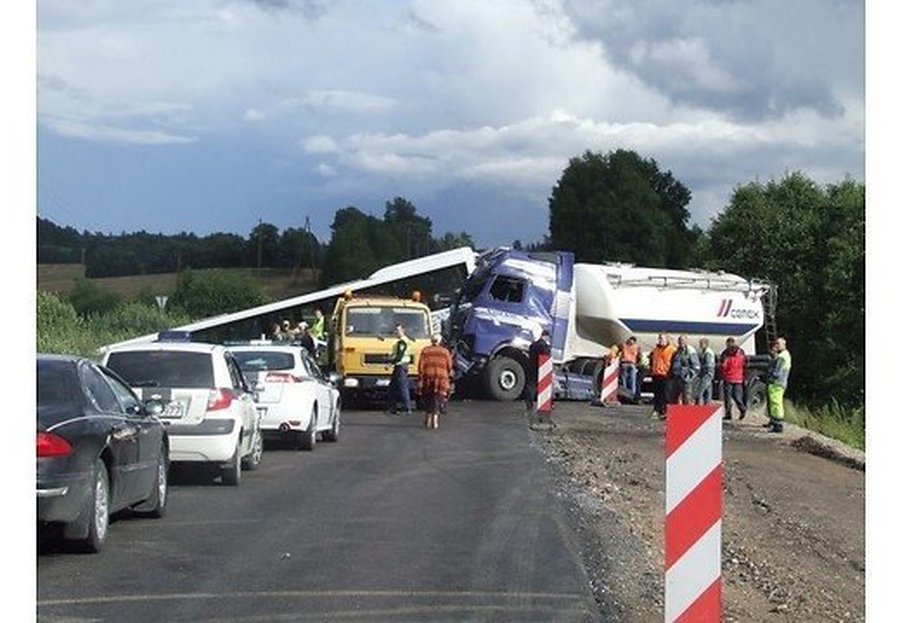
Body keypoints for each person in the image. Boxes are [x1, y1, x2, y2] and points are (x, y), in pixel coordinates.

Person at [417, 334, 453, 429]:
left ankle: (427, 419)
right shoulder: (445, 352)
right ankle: (435, 420)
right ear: (440, 341)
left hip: (428, 377)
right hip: (441, 377)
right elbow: (449, 365)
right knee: (438, 398)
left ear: (431, 341)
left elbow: (421, 365)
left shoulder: (425, 351)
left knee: (428, 397)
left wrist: (420, 376)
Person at [525, 329, 552, 426]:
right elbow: (546, 358)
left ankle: (529, 404)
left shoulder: (533, 345)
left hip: (531, 367)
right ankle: (542, 413)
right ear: (546, 336)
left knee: (531, 385)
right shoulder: (544, 346)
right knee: (542, 389)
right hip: (541, 370)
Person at [766, 337, 792, 433]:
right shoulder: (786, 355)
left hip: (777, 383)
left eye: (778, 344)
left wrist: (770, 378)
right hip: (781, 383)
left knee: (776, 404)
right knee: (776, 403)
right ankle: (775, 422)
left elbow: (777, 372)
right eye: (776, 343)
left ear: (783, 345)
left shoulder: (781, 357)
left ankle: (778, 424)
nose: (776, 345)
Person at [387, 323, 413, 415]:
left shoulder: (402, 342)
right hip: (399, 365)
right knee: (392, 388)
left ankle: (406, 408)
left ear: (403, 331)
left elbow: (399, 355)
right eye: (395, 330)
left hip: (401, 365)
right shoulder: (401, 341)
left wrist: (390, 362)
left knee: (402, 387)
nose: (396, 332)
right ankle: (392, 408)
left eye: (398, 330)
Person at [719, 336, 747, 420]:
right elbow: (745, 364)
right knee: (736, 397)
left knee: (729, 397)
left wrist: (722, 372)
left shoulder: (726, 353)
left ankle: (730, 414)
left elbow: (723, 365)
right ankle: (742, 409)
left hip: (730, 377)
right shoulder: (741, 352)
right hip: (737, 377)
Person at [649, 334, 676, 419]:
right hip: (656, 374)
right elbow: (652, 360)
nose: (660, 340)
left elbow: (674, 362)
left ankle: (665, 411)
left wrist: (672, 373)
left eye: (662, 339)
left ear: (667, 340)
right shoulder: (656, 349)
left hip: (666, 375)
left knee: (665, 395)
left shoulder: (672, 349)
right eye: (659, 338)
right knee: (657, 395)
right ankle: (657, 411)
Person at [669, 335, 700, 405]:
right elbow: (673, 363)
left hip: (686, 381)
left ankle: (688, 415)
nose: (681, 342)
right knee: (673, 399)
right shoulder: (677, 351)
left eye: (682, 340)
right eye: (679, 340)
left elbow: (696, 366)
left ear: (686, 341)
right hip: (676, 379)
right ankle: (676, 415)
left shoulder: (690, 351)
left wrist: (688, 377)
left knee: (687, 400)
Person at [695, 337, 716, 405]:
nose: (700, 345)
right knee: (707, 392)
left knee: (700, 391)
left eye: (701, 344)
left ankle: (698, 406)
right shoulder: (704, 351)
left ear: (706, 344)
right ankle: (707, 405)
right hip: (707, 373)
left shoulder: (708, 353)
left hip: (707, 373)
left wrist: (699, 367)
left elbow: (707, 364)